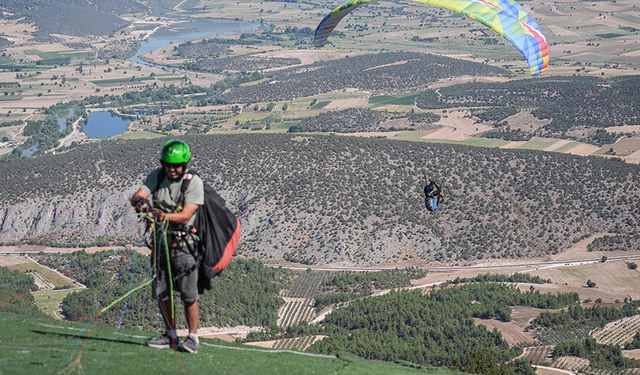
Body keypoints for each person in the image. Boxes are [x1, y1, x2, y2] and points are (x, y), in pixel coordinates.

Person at [130, 139, 204, 353]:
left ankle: (193, 337)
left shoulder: (193, 182)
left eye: (177, 166)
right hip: (161, 243)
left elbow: (187, 214)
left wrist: (162, 215)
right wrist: (139, 202)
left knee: (188, 294)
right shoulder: (157, 176)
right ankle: (170, 334)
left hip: (184, 244)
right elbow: (141, 193)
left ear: (185, 165)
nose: (172, 170)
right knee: (162, 291)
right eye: (169, 165)